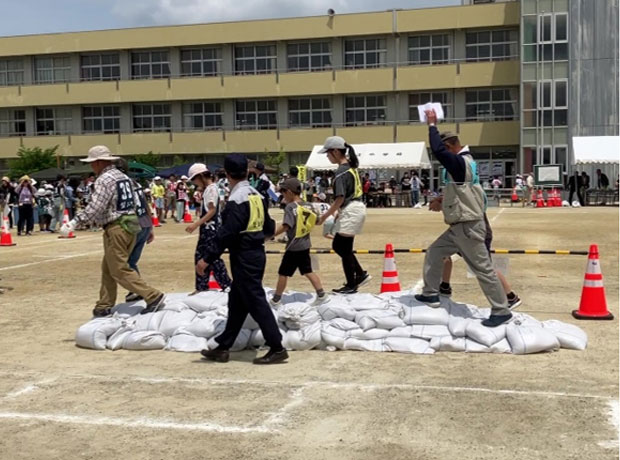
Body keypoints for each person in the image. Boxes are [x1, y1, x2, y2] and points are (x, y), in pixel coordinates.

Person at [415, 110, 511, 327]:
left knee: (483, 269)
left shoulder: (460, 163)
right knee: (434, 252)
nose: (442, 157)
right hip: (458, 227)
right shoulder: (464, 164)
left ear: (449, 146)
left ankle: (501, 310)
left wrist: (432, 125)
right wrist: (442, 199)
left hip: (468, 227)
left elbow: (439, 151)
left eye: (444, 150)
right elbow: (461, 193)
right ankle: (430, 293)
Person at [199, 154, 288, 365]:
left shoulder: (236, 199)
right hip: (256, 252)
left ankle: (277, 347)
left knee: (256, 301)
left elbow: (227, 233)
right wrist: (256, 237)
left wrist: (207, 258)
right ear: (247, 172)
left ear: (227, 174)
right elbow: (269, 226)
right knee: (237, 300)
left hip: (244, 255)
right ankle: (224, 346)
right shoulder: (257, 195)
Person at [60, 146, 165, 317]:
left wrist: (74, 222)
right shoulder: (124, 177)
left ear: (99, 162)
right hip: (131, 223)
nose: (91, 166)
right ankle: (104, 304)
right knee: (109, 266)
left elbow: (97, 206)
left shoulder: (104, 179)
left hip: (117, 225)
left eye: (92, 163)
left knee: (118, 269)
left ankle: (153, 296)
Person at [316, 136, 370, 294]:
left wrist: (324, 217)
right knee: (343, 247)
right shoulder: (351, 167)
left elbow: (339, 198)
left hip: (351, 209)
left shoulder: (340, 172)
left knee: (340, 246)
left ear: (335, 151)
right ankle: (359, 275)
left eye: (328, 153)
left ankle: (352, 283)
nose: (327, 156)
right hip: (355, 208)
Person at [269, 178, 328, 308]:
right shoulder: (309, 205)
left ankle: (276, 300)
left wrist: (270, 236)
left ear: (290, 192)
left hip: (294, 246)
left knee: (283, 273)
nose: (283, 195)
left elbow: (286, 226)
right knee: (308, 270)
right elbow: (318, 221)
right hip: (305, 243)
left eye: (283, 192)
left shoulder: (291, 207)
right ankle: (322, 294)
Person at [185, 163, 231, 293]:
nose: (194, 183)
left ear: (200, 176)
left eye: (194, 179)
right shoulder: (210, 189)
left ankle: (226, 284)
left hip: (210, 229)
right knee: (201, 256)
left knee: (211, 258)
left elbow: (212, 210)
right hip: (208, 228)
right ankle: (202, 286)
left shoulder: (211, 189)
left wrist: (196, 224)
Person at [117, 159, 155, 302]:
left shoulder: (120, 184)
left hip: (133, 222)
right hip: (145, 221)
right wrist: (151, 226)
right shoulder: (136, 183)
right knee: (131, 260)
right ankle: (135, 289)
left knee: (127, 261)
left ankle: (138, 289)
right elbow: (145, 204)